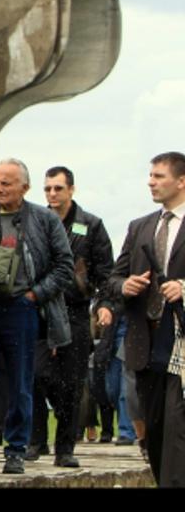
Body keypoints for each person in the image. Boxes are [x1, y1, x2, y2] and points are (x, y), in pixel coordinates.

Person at [0, 159, 73, 474]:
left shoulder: (44, 219)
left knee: (21, 381)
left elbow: (64, 265)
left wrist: (35, 295)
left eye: (7, 183)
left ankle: (16, 449)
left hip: (21, 308)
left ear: (25, 187)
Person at [107, 152, 185, 486]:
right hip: (145, 341)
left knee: (176, 428)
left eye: (159, 176)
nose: (151, 182)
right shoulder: (140, 226)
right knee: (154, 432)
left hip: (180, 344)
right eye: (150, 175)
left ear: (181, 181)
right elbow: (114, 277)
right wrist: (125, 285)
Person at [28, 166, 114, 467]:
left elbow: (106, 272)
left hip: (75, 312)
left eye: (58, 188)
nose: (52, 194)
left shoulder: (90, 225)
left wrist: (104, 304)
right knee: (36, 375)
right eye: (48, 188)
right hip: (40, 309)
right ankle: (36, 440)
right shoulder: (35, 221)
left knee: (71, 382)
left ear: (71, 190)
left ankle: (65, 447)